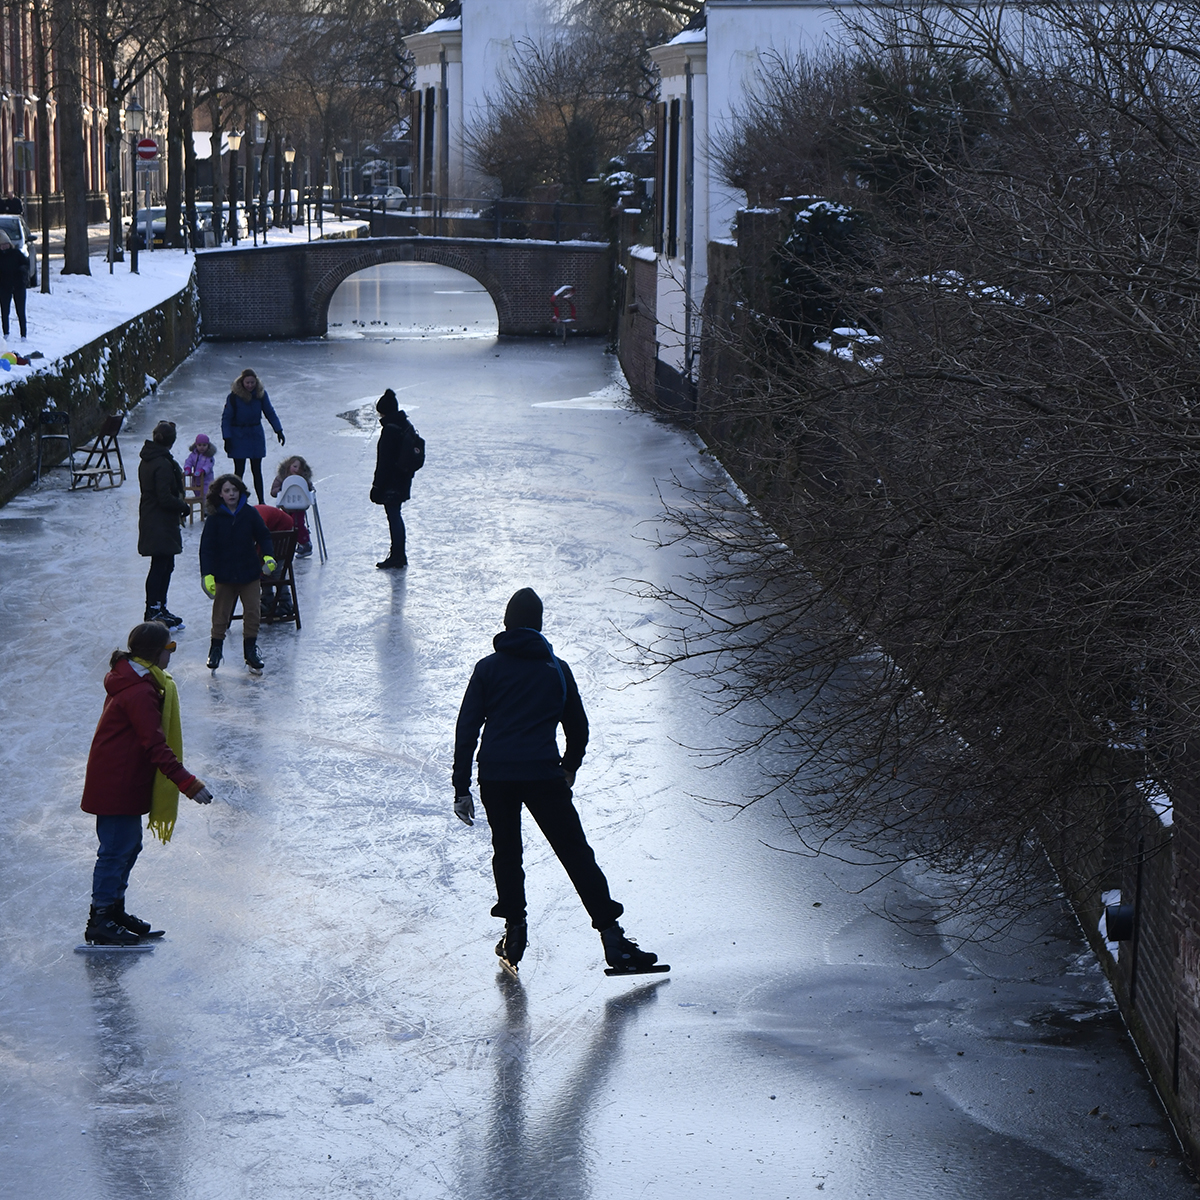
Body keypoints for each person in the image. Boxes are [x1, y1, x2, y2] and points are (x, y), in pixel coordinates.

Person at [453, 588, 666, 976]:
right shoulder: (557, 667)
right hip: (543, 773)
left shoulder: (488, 668)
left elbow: (467, 728)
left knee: (507, 853)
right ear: (537, 624)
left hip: (497, 775)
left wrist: (461, 787)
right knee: (575, 853)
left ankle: (514, 932)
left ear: (507, 622)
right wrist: (569, 767)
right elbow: (578, 727)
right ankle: (613, 939)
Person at [81, 621, 213, 946]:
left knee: (129, 846)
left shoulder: (140, 681)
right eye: (170, 648)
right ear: (155, 652)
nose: (172, 654)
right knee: (114, 851)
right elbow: (155, 745)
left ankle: (113, 910)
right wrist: (189, 784)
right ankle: (100, 919)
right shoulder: (140, 691)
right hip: (116, 782)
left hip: (124, 779)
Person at [199, 473, 275, 672]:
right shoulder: (215, 518)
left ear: (240, 492)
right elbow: (206, 548)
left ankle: (250, 650)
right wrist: (207, 574)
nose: (231, 494)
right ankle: (216, 648)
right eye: (227, 491)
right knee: (221, 613)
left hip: (249, 573)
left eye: (235, 490)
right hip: (223, 574)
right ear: (220, 494)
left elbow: (264, 535)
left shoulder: (249, 513)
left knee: (252, 611)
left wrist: (268, 556)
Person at [138, 420, 189, 629]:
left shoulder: (150, 458)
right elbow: (165, 497)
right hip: (160, 521)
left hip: (154, 519)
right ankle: (154, 609)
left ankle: (159, 607)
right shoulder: (162, 463)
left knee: (165, 565)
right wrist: (183, 506)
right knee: (160, 566)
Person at [370, 389, 423, 569]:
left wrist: (377, 487)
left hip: (392, 483)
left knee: (393, 516)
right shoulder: (405, 424)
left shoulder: (390, 431)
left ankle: (398, 555)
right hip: (403, 478)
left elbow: (383, 462)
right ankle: (398, 554)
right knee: (395, 516)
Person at [221, 368, 284, 503]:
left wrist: (278, 430)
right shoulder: (234, 397)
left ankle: (261, 501)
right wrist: (227, 438)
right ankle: (237, 500)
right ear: (242, 382)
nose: (250, 385)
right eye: (247, 383)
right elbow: (226, 418)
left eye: (252, 383)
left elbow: (269, 412)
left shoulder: (260, 395)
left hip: (255, 435)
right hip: (238, 435)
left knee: (257, 470)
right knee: (239, 471)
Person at [255, 502, 295, 620]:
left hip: (283, 528)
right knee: (264, 567)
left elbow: (261, 542)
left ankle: (286, 602)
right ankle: (268, 600)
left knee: (276, 569)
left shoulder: (257, 520)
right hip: (273, 528)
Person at [270, 454, 314, 557]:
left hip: (299, 507)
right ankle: (288, 544)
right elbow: (273, 492)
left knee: (298, 524)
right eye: (294, 466)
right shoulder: (281, 478)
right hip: (286, 507)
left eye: (299, 468)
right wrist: (281, 490)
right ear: (289, 466)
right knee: (286, 524)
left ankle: (305, 543)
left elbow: (310, 488)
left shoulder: (303, 479)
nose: (297, 469)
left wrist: (309, 489)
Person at [0, 229, 28, 339]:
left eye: (5, 244)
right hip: (3, 286)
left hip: (18, 285)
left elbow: (26, 264)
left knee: (20, 310)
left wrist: (22, 271)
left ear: (9, 244)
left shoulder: (16, 253)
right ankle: (6, 332)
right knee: (4, 310)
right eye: (1, 245)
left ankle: (23, 334)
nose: (4, 247)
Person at [183, 433, 216, 502]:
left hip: (206, 481)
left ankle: (206, 510)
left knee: (205, 497)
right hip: (196, 481)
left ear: (208, 445)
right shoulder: (193, 455)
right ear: (196, 445)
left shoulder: (208, 456)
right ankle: (202, 507)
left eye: (204, 445)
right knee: (198, 496)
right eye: (199, 445)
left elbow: (208, 466)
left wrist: (202, 470)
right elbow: (189, 461)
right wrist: (187, 468)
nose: (202, 447)